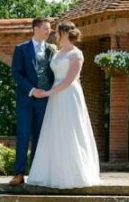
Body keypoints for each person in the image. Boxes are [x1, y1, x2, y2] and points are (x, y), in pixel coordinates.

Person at [25, 21, 100, 188]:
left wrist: (51, 92)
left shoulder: (76, 54)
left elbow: (70, 79)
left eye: (57, 32)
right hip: (55, 95)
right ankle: (51, 173)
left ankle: (74, 174)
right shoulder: (57, 52)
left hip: (69, 93)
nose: (55, 35)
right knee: (54, 130)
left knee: (70, 129)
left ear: (64, 33)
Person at [9, 17, 54, 186]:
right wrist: (32, 90)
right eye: (46, 29)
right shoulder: (21, 49)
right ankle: (19, 173)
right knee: (23, 135)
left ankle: (36, 174)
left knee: (40, 138)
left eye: (49, 29)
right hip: (26, 100)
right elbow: (17, 73)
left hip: (45, 101)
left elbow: (53, 74)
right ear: (35, 28)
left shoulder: (51, 50)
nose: (48, 32)